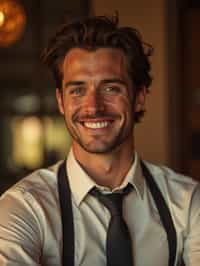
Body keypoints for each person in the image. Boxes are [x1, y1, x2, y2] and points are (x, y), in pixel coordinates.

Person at [0, 15, 199, 266]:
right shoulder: (24, 208)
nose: (93, 107)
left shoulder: (187, 202)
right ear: (61, 101)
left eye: (110, 88)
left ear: (139, 96)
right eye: (78, 90)